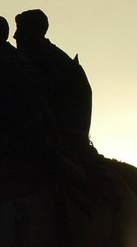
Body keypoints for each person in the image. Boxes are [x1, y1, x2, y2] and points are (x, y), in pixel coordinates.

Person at [13, 9, 92, 154]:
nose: (15, 36)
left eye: (20, 30)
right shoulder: (43, 58)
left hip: (59, 140)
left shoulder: (50, 62)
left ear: (32, 33)